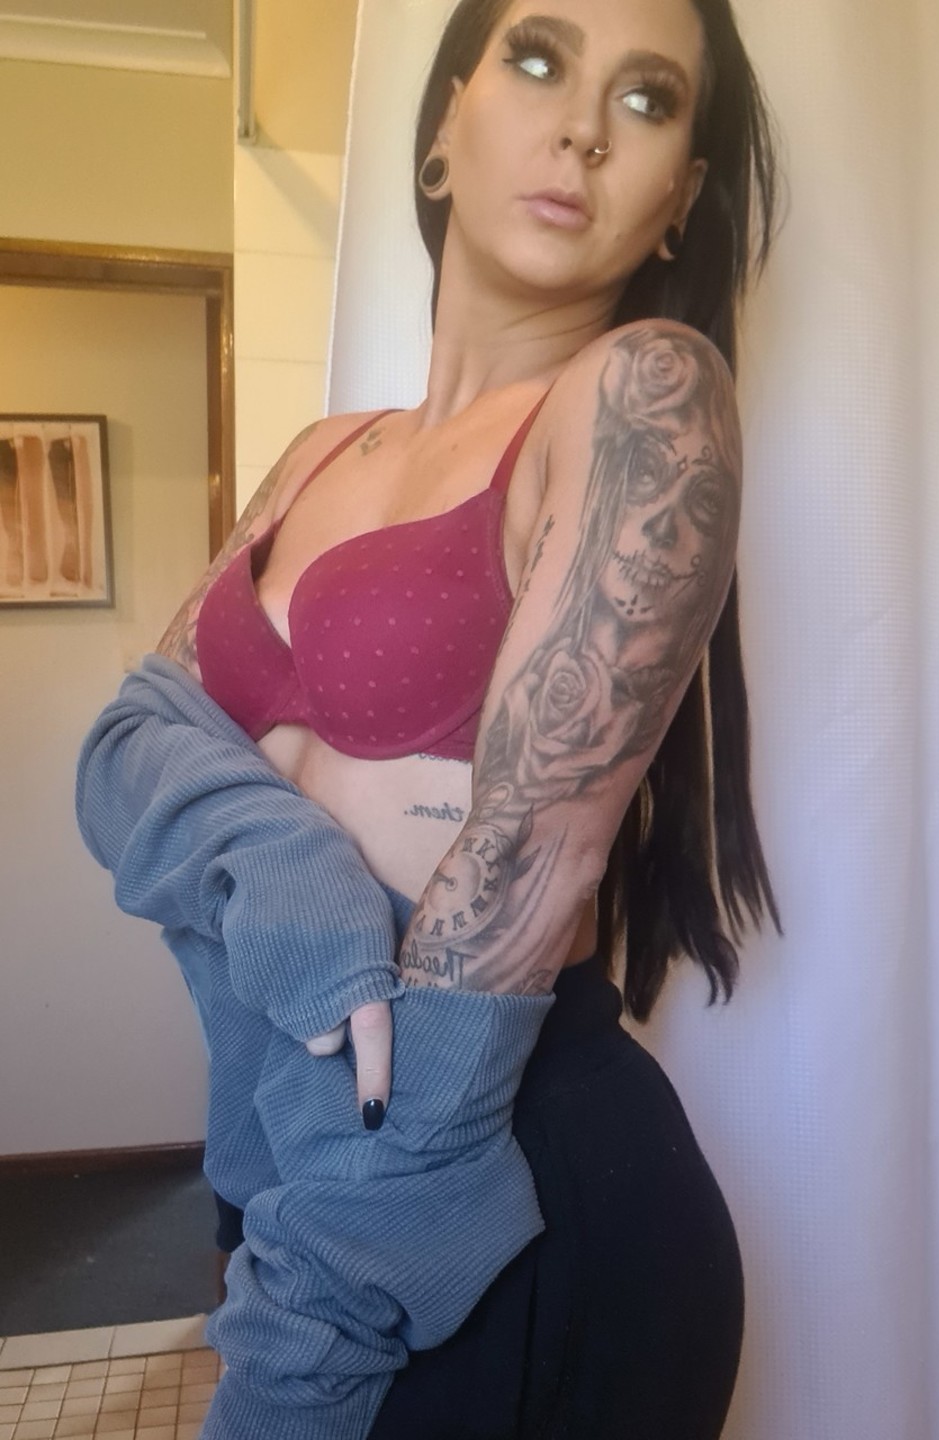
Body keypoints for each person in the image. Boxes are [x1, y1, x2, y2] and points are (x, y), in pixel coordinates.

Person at [76, 0, 780, 1434]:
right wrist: (289, 865)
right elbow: (125, 748)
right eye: (540, 59)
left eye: (646, 101)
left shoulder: (639, 396)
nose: (582, 127)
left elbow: (525, 868)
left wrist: (314, 1328)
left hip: (487, 1189)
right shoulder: (318, 455)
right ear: (447, 119)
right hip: (293, 1167)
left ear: (678, 200)